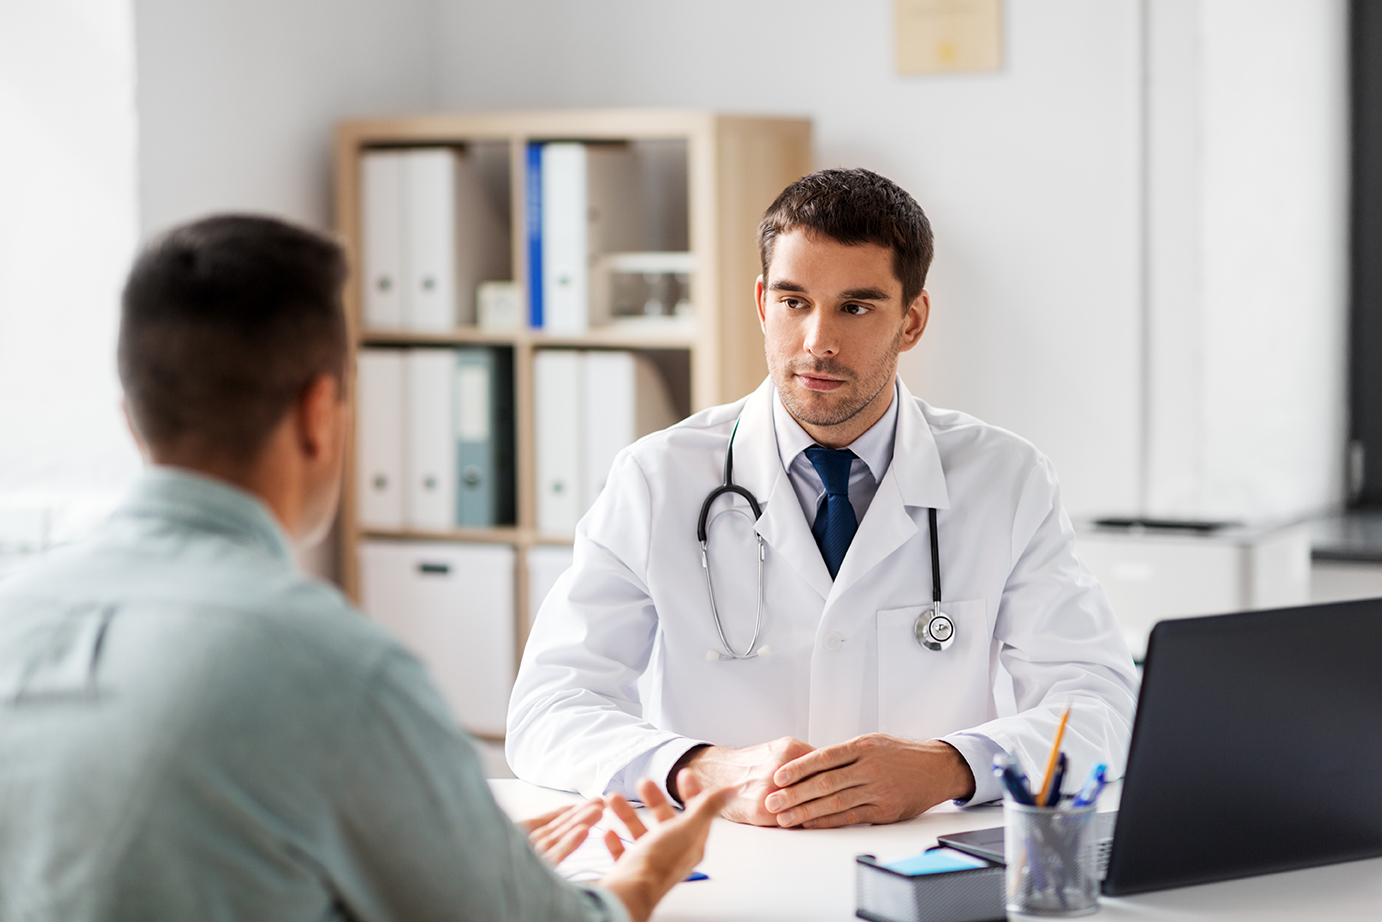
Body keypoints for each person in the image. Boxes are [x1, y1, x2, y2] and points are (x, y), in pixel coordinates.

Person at [0, 214, 728, 921]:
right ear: (320, 412)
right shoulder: (332, 667)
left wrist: (464, 872)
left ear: (131, 417)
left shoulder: (15, 613)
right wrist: (636, 881)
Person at [507, 168, 1140, 829]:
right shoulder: (656, 478)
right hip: (727, 865)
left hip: (922, 861)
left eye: (856, 307)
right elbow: (549, 713)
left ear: (912, 320)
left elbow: (1100, 704)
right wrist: (702, 770)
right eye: (793, 302)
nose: (818, 342)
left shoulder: (1005, 479)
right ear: (761, 304)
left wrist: (948, 765)